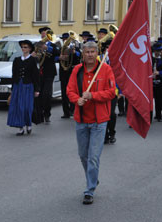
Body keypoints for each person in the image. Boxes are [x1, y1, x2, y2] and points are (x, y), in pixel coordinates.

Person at [67, 41, 116, 205]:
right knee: (83, 155)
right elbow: (70, 90)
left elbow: (111, 92)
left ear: (97, 53)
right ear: (83, 53)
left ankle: (89, 190)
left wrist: (92, 96)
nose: (90, 54)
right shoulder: (77, 70)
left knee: (93, 157)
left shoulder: (106, 69)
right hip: (81, 119)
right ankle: (93, 178)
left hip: (99, 121)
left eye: (92, 51)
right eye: (87, 52)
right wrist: (77, 99)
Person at [8, 40, 40, 135]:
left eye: (25, 47)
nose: (23, 49)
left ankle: (28, 124)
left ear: (30, 49)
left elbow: (36, 76)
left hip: (28, 86)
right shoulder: (17, 60)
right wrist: (13, 88)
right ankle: (20, 127)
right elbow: (14, 75)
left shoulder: (33, 60)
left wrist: (37, 89)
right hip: (18, 86)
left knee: (27, 107)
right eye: (22, 47)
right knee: (18, 107)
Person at [35, 27, 60, 123]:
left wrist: (47, 48)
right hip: (39, 72)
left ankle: (47, 114)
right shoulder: (38, 44)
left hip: (49, 72)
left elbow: (57, 52)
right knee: (39, 94)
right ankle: (39, 114)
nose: (43, 35)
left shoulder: (54, 44)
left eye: (45, 33)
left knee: (47, 94)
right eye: (42, 34)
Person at [58, 32, 81, 119]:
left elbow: (79, 56)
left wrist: (74, 52)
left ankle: (72, 110)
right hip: (63, 73)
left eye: (67, 39)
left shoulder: (75, 48)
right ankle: (66, 112)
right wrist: (60, 57)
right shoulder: (61, 49)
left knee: (72, 91)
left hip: (72, 72)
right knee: (64, 93)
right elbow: (55, 57)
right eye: (64, 39)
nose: (65, 41)